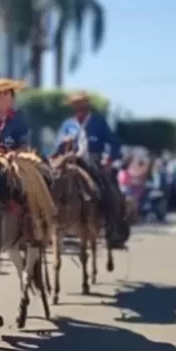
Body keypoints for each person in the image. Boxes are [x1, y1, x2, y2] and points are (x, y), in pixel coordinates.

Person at [54, 91, 128, 248]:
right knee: (54, 182)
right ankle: (52, 221)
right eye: (76, 104)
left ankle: (111, 222)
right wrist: (63, 143)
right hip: (70, 160)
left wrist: (110, 157)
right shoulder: (67, 124)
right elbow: (57, 145)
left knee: (108, 187)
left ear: (87, 105)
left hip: (93, 159)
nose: (80, 107)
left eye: (82, 103)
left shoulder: (98, 122)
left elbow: (114, 142)